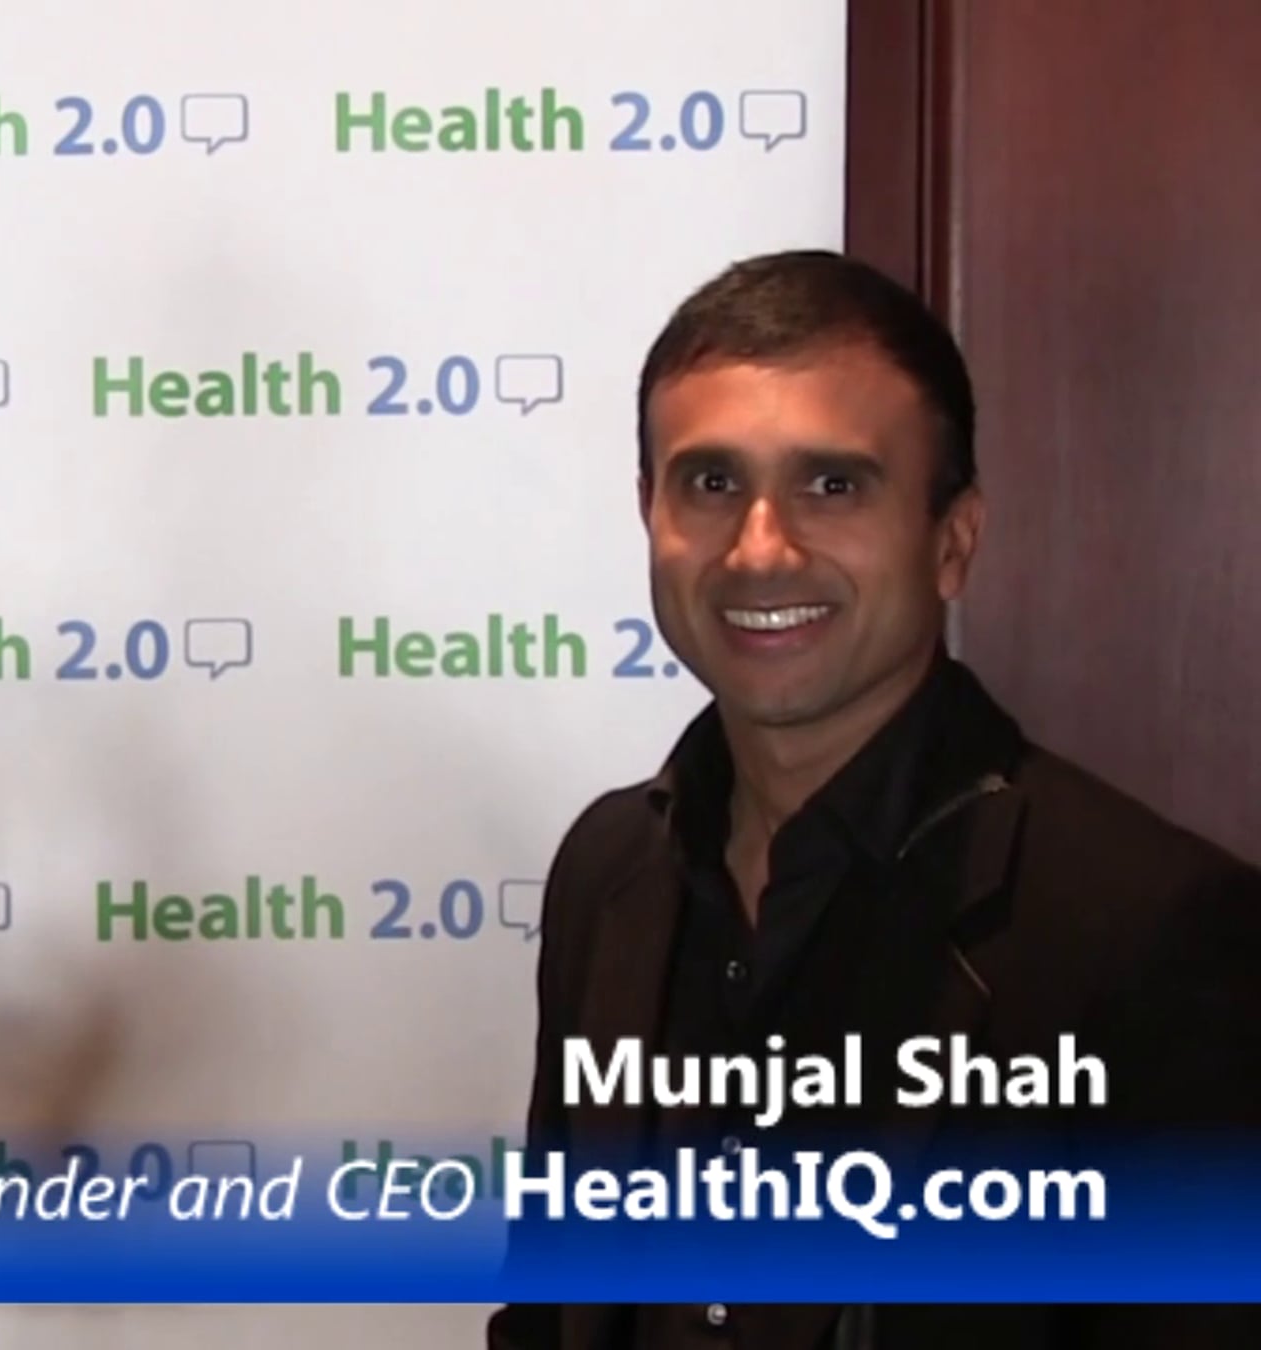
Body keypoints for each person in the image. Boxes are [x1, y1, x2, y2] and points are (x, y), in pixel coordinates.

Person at [486, 249, 1261, 1348]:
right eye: (712, 484)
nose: (760, 550)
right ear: (648, 512)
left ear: (953, 541)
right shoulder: (607, 870)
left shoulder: (1152, 931)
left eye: (833, 486)